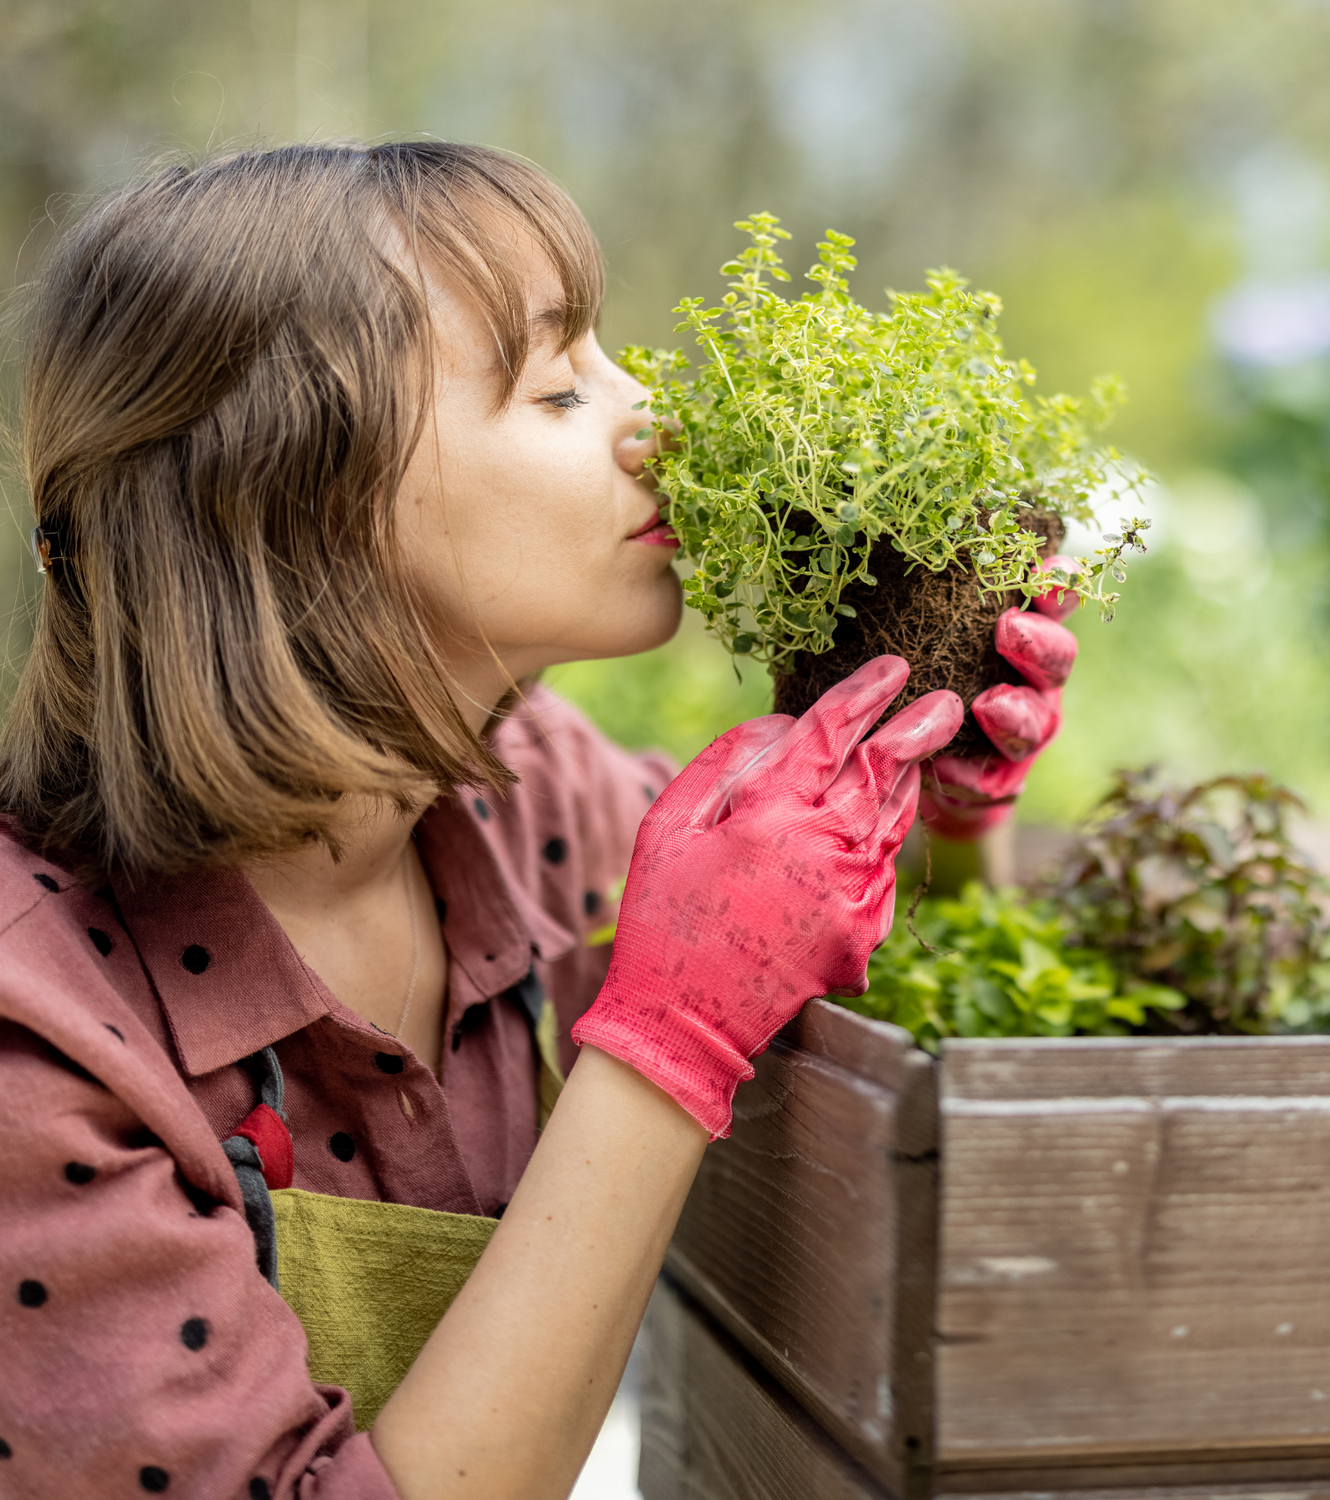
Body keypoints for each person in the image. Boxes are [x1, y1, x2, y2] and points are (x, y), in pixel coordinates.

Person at [0, 142, 1078, 1500]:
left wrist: (931, 812)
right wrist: (663, 1047)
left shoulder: (531, 801)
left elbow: (800, 961)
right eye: (560, 388)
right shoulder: (31, 1034)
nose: (658, 422)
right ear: (299, 503)